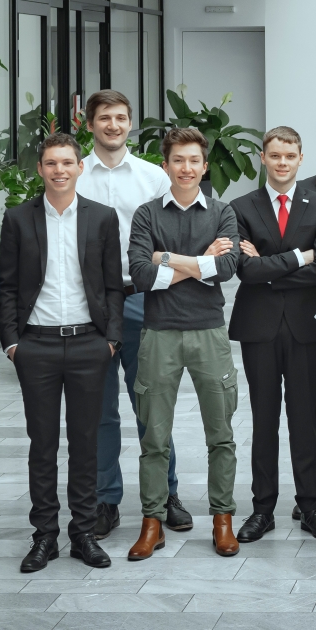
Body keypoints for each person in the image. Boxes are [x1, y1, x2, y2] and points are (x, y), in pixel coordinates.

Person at [0, 132, 122, 572]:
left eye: (67, 162)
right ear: (40, 169)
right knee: (43, 444)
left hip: (89, 343)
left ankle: (83, 534)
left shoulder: (102, 217)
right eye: (51, 163)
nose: (59, 170)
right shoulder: (18, 218)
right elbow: (7, 286)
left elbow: (113, 284)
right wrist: (12, 342)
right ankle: (44, 536)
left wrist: (110, 340)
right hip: (37, 345)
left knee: (86, 443)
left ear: (80, 167)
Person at [76, 90, 191, 539]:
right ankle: (105, 500)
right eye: (105, 118)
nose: (114, 125)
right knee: (98, 410)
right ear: (90, 124)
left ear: (130, 123)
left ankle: (166, 494)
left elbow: (175, 235)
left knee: (152, 404)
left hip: (142, 299)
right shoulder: (75, 174)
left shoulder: (153, 177)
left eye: (121, 117)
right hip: (90, 306)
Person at [125, 127, 243, 561]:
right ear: (166, 165)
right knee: (154, 436)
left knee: (221, 434)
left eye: (194, 160)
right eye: (178, 160)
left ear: (204, 166)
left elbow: (227, 268)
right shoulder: (147, 214)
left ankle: (222, 519)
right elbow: (140, 273)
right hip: (159, 333)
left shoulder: (223, 212)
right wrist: (200, 261)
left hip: (209, 331)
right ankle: (152, 521)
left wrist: (167, 258)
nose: (186, 168)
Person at [229, 126, 316, 544]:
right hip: (259, 328)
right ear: (263, 157)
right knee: (264, 419)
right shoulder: (241, 206)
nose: (282, 163)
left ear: (301, 158)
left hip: (309, 328)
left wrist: (270, 268)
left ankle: (311, 505)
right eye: (274, 155)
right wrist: (298, 257)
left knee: (307, 419)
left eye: (289, 156)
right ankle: (262, 509)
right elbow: (245, 270)